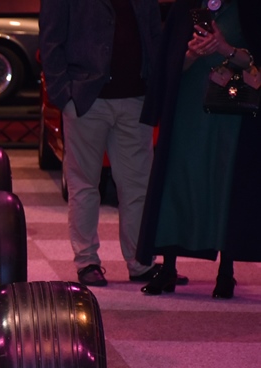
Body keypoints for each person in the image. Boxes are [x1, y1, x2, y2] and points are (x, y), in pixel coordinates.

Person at [136, 0, 261, 298]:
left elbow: (255, 61)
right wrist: (192, 54)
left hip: (232, 115)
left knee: (225, 186)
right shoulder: (185, 8)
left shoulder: (250, 8)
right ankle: (168, 267)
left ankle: (226, 272)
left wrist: (225, 48)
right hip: (187, 111)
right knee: (177, 182)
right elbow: (167, 66)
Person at [40, 0, 165, 287]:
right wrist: (64, 96)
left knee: (138, 188)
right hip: (86, 99)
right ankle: (87, 262)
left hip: (136, 99)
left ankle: (140, 262)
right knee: (84, 185)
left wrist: (155, 88)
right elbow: (50, 41)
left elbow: (153, 36)